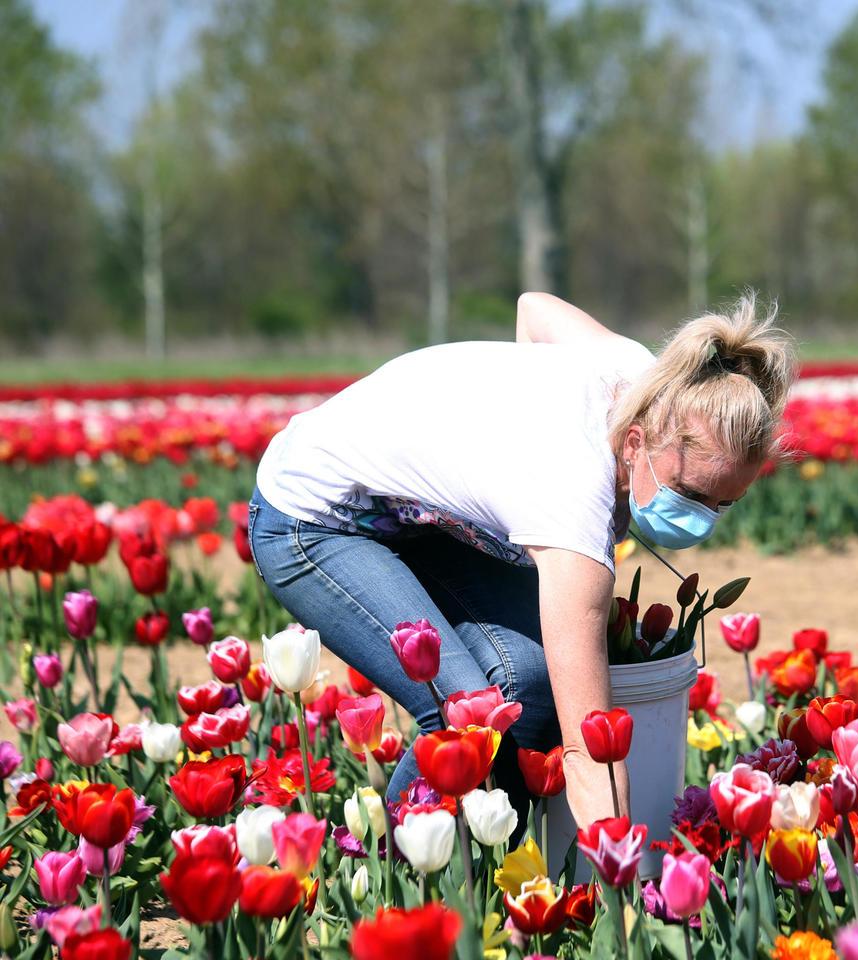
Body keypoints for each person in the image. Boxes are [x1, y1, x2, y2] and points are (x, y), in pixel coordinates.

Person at [246, 291, 796, 827]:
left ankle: (487, 860)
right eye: (690, 492)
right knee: (467, 711)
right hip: (314, 516)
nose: (704, 516)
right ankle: (401, 872)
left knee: (528, 687)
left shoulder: (658, 381)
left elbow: (534, 308)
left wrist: (508, 436)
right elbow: (589, 749)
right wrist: (621, 876)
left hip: (419, 516)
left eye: (725, 502)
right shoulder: (572, 497)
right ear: (633, 443)